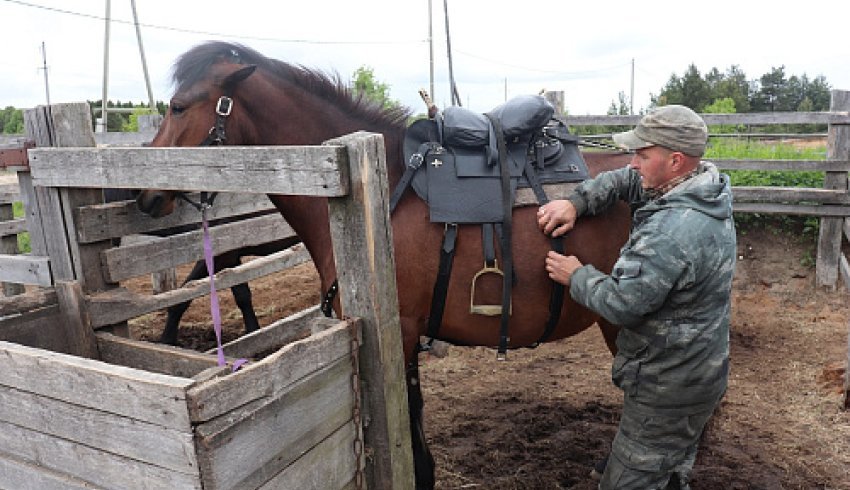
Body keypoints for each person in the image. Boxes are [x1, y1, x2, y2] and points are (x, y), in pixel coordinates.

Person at [537, 105, 736, 489]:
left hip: (668, 388)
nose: (634, 162)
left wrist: (576, 275)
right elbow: (625, 181)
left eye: (643, 155)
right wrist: (576, 202)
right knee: (671, 471)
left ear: (675, 160)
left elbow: (622, 303)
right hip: (698, 372)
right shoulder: (703, 189)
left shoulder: (670, 233)